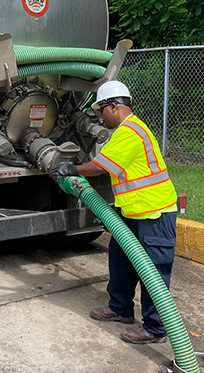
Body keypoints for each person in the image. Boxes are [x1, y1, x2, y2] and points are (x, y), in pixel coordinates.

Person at [53, 80, 178, 344]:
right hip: (133, 211)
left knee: (153, 270)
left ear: (113, 106)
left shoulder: (131, 132)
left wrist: (71, 169)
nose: (101, 117)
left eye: (101, 111)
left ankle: (155, 328)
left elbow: (100, 167)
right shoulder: (125, 131)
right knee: (121, 258)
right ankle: (120, 308)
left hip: (154, 213)